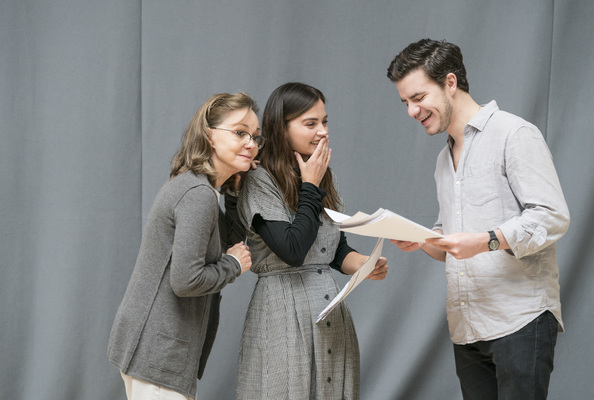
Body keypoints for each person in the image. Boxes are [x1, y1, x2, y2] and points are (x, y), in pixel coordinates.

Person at [386, 39, 570, 400]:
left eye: (418, 98)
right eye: (405, 102)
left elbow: (551, 217)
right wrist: (422, 239)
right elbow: (451, 243)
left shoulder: (513, 134)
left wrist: (487, 239)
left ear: (450, 83)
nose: (411, 111)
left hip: (520, 319)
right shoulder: (443, 160)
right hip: (467, 328)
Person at [235, 82, 389, 400]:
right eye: (310, 124)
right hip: (283, 312)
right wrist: (310, 187)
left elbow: (333, 249)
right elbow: (293, 250)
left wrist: (364, 264)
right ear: (281, 127)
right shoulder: (259, 180)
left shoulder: (319, 175)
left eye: (325, 121)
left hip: (328, 311)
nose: (322, 131)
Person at [108, 92, 264, 400]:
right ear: (209, 136)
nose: (251, 142)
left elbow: (229, 244)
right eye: (240, 132)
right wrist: (234, 266)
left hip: (156, 350)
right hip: (157, 353)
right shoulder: (197, 194)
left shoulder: (203, 190)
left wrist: (234, 192)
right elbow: (186, 280)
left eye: (256, 137)